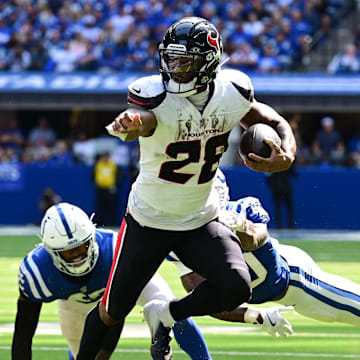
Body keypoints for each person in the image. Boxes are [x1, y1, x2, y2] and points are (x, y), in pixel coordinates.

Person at [76, 17, 296, 360]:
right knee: (112, 311)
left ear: (208, 63)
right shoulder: (155, 97)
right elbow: (146, 120)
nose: (175, 68)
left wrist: (287, 151)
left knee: (236, 285)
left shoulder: (232, 93)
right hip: (149, 220)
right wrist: (131, 124)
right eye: (171, 58)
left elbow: (270, 119)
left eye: (185, 61)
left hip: (200, 218)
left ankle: (164, 314)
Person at [11, 202, 214, 360]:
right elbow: (23, 334)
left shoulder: (115, 248)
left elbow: (116, 312)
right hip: (74, 305)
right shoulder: (36, 273)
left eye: (82, 247)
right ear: (51, 252)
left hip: (125, 281)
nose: (77, 256)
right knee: (81, 352)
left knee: (174, 310)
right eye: (68, 252)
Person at [168, 170, 360, 328]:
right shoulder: (181, 240)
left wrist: (240, 226)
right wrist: (252, 315)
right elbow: (205, 300)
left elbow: (256, 240)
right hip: (286, 297)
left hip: (298, 279)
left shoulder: (241, 210)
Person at [93, 152, 121, 226]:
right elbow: (93, 175)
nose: (105, 158)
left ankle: (111, 224)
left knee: (111, 208)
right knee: (100, 207)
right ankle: (99, 224)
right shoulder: (98, 164)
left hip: (110, 190)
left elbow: (120, 176)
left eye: (106, 156)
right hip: (101, 189)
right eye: (103, 156)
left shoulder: (113, 165)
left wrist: (115, 185)